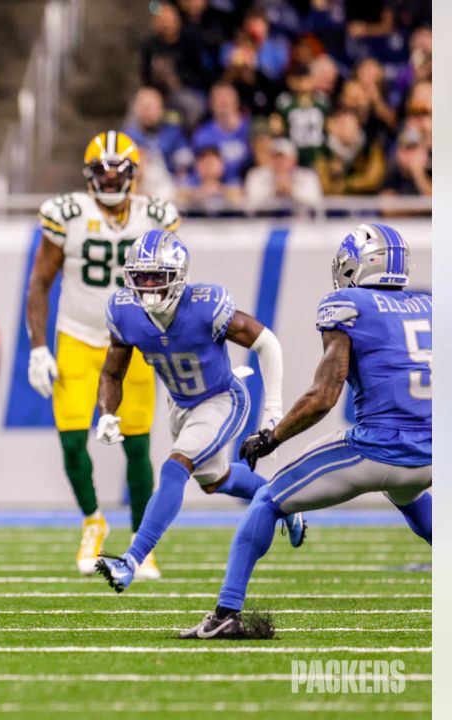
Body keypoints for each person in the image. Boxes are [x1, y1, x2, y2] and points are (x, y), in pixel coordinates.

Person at [181, 224, 431, 639]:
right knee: (412, 497)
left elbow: (323, 395)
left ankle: (226, 612)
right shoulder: (428, 304)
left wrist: (271, 436)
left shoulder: (348, 304)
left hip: (376, 451)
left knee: (265, 500)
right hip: (429, 455)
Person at [93, 230, 304, 592]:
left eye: (156, 278)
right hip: (181, 404)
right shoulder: (124, 312)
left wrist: (273, 411)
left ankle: (131, 560)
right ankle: (283, 496)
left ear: (177, 276)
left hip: (222, 398)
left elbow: (266, 342)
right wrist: (107, 413)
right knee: (215, 481)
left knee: (176, 467)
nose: (148, 288)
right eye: (140, 278)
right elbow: (113, 372)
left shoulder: (207, 305)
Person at [27, 131, 178, 578]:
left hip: (132, 341)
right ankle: (93, 521)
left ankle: (141, 543)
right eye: (102, 171)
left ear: (134, 174)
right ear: (87, 174)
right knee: (73, 438)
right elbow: (40, 282)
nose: (110, 180)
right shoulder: (67, 215)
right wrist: (38, 347)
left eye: (119, 171)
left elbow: (174, 286)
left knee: (138, 446)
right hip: (77, 334)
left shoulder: (156, 216)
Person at [244, 139, 324, 215]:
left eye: (284, 158)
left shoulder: (308, 177)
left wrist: (292, 191)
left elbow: (317, 206)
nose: (280, 162)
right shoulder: (256, 176)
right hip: (264, 225)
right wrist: (273, 191)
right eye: (276, 158)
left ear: (294, 160)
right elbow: (250, 207)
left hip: (301, 225)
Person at [192, 83, 252, 182]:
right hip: (219, 189)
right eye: (219, 101)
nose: (223, 103)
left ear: (236, 102)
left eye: (227, 100)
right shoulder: (203, 135)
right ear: (211, 105)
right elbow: (200, 170)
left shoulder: (250, 129)